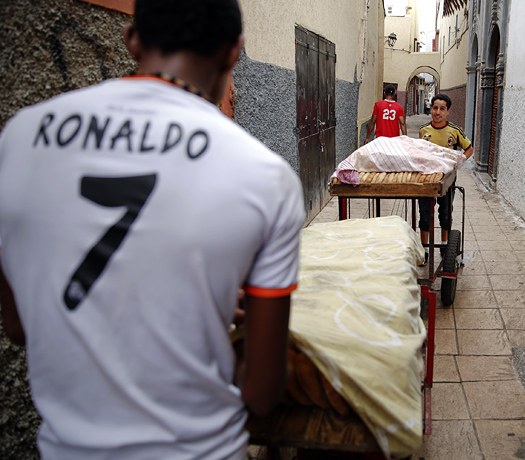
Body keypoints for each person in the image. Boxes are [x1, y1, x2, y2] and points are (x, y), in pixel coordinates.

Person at [0, 1, 305, 459]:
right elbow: (262, 392)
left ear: (132, 39)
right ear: (234, 52)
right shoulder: (265, 175)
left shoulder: (20, 137)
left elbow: (20, 325)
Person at [418, 93, 473, 265]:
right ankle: (425, 250)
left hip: (447, 181)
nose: (438, 112)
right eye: (435, 108)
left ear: (448, 111)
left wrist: (460, 161)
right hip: (427, 179)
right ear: (431, 109)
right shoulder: (424, 130)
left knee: (445, 214)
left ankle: (444, 247)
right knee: (425, 214)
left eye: (442, 109)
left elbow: (469, 148)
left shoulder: (455, 131)